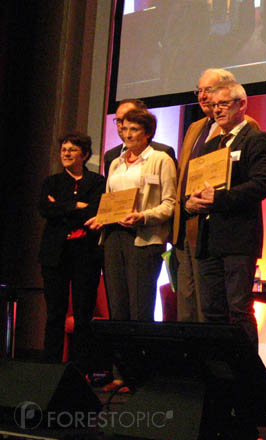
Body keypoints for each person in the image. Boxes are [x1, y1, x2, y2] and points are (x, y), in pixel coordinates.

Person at [185, 80, 266, 348]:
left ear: (242, 104)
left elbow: (261, 185)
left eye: (223, 104)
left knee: (239, 310)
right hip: (209, 239)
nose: (217, 110)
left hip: (238, 239)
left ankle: (248, 380)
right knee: (212, 312)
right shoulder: (211, 146)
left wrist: (219, 197)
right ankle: (220, 378)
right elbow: (194, 186)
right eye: (213, 106)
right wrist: (189, 203)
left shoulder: (256, 139)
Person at [172, 68, 260, 323]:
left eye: (208, 90)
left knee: (213, 308)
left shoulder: (247, 128)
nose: (202, 96)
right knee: (187, 305)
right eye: (199, 90)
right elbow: (184, 174)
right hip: (188, 224)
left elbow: (249, 182)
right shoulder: (196, 127)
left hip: (219, 230)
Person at [86, 109, 177, 321]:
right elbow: (110, 200)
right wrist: (102, 217)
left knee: (140, 306)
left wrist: (143, 216)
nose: (127, 134)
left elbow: (170, 204)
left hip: (143, 239)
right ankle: (120, 353)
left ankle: (140, 353)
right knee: (117, 306)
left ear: (147, 133)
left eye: (134, 129)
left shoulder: (160, 159)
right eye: (124, 128)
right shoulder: (116, 163)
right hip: (113, 237)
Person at [39, 133, 105, 374]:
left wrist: (61, 206)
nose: (66, 153)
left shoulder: (97, 182)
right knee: (55, 313)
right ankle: (49, 370)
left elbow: (97, 210)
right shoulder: (51, 181)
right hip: (55, 254)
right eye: (63, 149)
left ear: (84, 155)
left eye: (72, 150)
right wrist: (76, 206)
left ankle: (80, 370)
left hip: (85, 255)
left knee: (82, 314)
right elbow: (45, 208)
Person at [104, 99, 176, 178]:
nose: (122, 125)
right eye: (118, 120)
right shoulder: (111, 157)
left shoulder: (163, 153)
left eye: (129, 118)